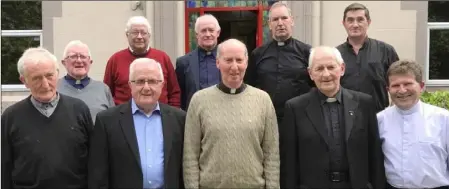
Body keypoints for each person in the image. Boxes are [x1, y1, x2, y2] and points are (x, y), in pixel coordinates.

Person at [280, 46, 385, 189]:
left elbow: (375, 155)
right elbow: (289, 162)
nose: (326, 74)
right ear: (310, 74)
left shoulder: (364, 104)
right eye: (319, 69)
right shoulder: (295, 108)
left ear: (342, 69)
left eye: (331, 67)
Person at [183, 39, 279, 189]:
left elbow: (271, 154)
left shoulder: (263, 100)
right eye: (228, 60)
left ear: (246, 63)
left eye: (239, 60)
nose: (234, 67)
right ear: (217, 63)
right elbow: (190, 155)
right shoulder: (199, 100)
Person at [1, 47, 93, 189]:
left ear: (57, 74)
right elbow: (4, 168)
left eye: (49, 76)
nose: (45, 84)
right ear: (24, 81)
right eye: (36, 78)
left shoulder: (79, 109)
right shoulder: (11, 117)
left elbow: (94, 160)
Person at [88, 58, 186, 189]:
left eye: (152, 81)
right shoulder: (107, 121)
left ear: (162, 85)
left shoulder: (179, 119)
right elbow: (98, 173)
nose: (146, 88)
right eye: (140, 81)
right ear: (130, 85)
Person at [377, 59, 449, 189]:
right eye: (396, 85)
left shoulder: (444, 119)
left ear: (421, 86)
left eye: (408, 83)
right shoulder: (380, 120)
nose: (402, 90)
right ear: (388, 89)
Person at [244, 1, 313, 123]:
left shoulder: (307, 52)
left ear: (292, 21)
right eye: (275, 19)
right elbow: (249, 86)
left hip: (300, 118)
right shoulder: (258, 54)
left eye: (284, 18)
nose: (280, 23)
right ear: (269, 24)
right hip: (267, 118)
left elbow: (315, 86)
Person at [103, 16, 181, 107]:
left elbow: (174, 92)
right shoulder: (115, 60)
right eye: (135, 33)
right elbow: (106, 94)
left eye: (143, 33)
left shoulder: (163, 58)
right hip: (124, 118)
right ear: (127, 35)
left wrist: (170, 116)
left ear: (149, 35)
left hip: (159, 117)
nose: (139, 37)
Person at [337, 3, 399, 113]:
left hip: (378, 116)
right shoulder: (335, 54)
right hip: (345, 118)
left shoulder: (385, 50)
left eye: (360, 19)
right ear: (344, 23)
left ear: (368, 22)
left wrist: (394, 110)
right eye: (350, 20)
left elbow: (399, 82)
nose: (355, 24)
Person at [57, 40, 115, 122]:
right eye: (73, 56)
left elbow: (113, 121)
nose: (79, 61)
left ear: (90, 62)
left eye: (83, 56)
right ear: (64, 62)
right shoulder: (54, 88)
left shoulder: (103, 89)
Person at [176, 14, 221, 110]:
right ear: (197, 34)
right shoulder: (183, 62)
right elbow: (180, 96)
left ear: (218, 33)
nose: (208, 34)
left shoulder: (227, 59)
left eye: (211, 30)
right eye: (203, 31)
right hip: (194, 118)